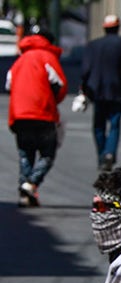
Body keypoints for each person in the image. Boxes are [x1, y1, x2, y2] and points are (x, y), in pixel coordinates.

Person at [5, 25, 66, 207]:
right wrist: (51, 100)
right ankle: (31, 183)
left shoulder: (20, 60)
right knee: (47, 153)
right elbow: (60, 85)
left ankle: (25, 192)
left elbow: (9, 85)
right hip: (43, 114)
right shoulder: (48, 58)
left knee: (25, 153)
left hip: (20, 115)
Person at [81, 14, 121, 171]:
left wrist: (84, 88)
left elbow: (85, 70)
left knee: (98, 125)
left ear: (104, 28)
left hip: (97, 90)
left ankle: (102, 155)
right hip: (117, 88)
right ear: (118, 28)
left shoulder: (93, 45)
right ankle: (109, 153)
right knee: (115, 124)